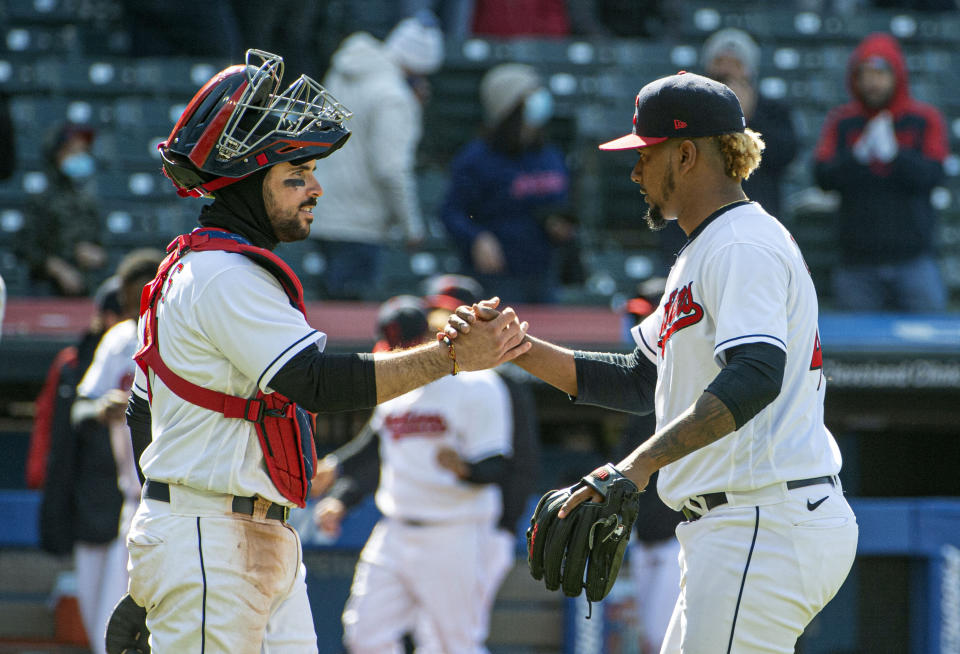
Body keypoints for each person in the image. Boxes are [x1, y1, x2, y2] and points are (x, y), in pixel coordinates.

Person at [120, 49, 528, 654]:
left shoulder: (207, 265)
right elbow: (314, 383)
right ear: (247, 183)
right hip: (210, 535)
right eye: (295, 175)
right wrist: (448, 358)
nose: (315, 187)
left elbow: (141, 414)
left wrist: (160, 532)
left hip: (233, 534)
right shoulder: (223, 272)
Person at [446, 71, 859, 653]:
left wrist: (632, 468)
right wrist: (515, 347)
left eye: (647, 153)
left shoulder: (743, 243)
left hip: (764, 519)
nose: (636, 171)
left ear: (687, 154)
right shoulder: (703, 249)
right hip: (740, 525)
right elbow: (641, 381)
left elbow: (757, 374)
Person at [313, 294, 515, 653]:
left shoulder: (477, 384)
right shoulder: (396, 385)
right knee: (364, 637)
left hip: (452, 533)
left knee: (456, 644)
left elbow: (499, 466)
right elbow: (375, 445)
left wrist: (466, 468)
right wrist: (337, 473)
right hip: (394, 530)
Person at [68, 249, 164, 654]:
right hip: (132, 499)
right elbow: (80, 406)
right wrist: (104, 405)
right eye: (129, 294)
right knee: (111, 624)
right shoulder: (122, 338)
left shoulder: (185, 334)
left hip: (179, 497)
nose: (134, 303)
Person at [309, 12, 444, 300]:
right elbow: (391, 169)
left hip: (320, 210)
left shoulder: (344, 71)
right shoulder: (395, 97)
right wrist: (412, 228)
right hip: (360, 224)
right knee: (351, 322)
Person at [813, 32, 950, 313]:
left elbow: (935, 175)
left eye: (880, 73)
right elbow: (823, 176)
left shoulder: (924, 119)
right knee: (857, 351)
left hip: (913, 260)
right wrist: (857, 157)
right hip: (857, 264)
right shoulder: (843, 122)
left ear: (896, 74)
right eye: (865, 74)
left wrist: (896, 156)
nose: (872, 82)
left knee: (930, 350)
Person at [439, 63, 578, 304]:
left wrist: (560, 224)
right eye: (529, 95)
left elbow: (560, 203)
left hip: (544, 273)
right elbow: (451, 212)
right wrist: (477, 238)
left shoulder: (549, 154)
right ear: (510, 107)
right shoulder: (476, 158)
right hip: (498, 278)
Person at [16, 123, 107, 296]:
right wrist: (57, 268)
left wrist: (97, 255)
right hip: (46, 292)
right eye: (74, 151)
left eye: (83, 151)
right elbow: (24, 247)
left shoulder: (87, 201)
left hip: (86, 290)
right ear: (57, 154)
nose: (81, 157)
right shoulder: (42, 200)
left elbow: (101, 246)